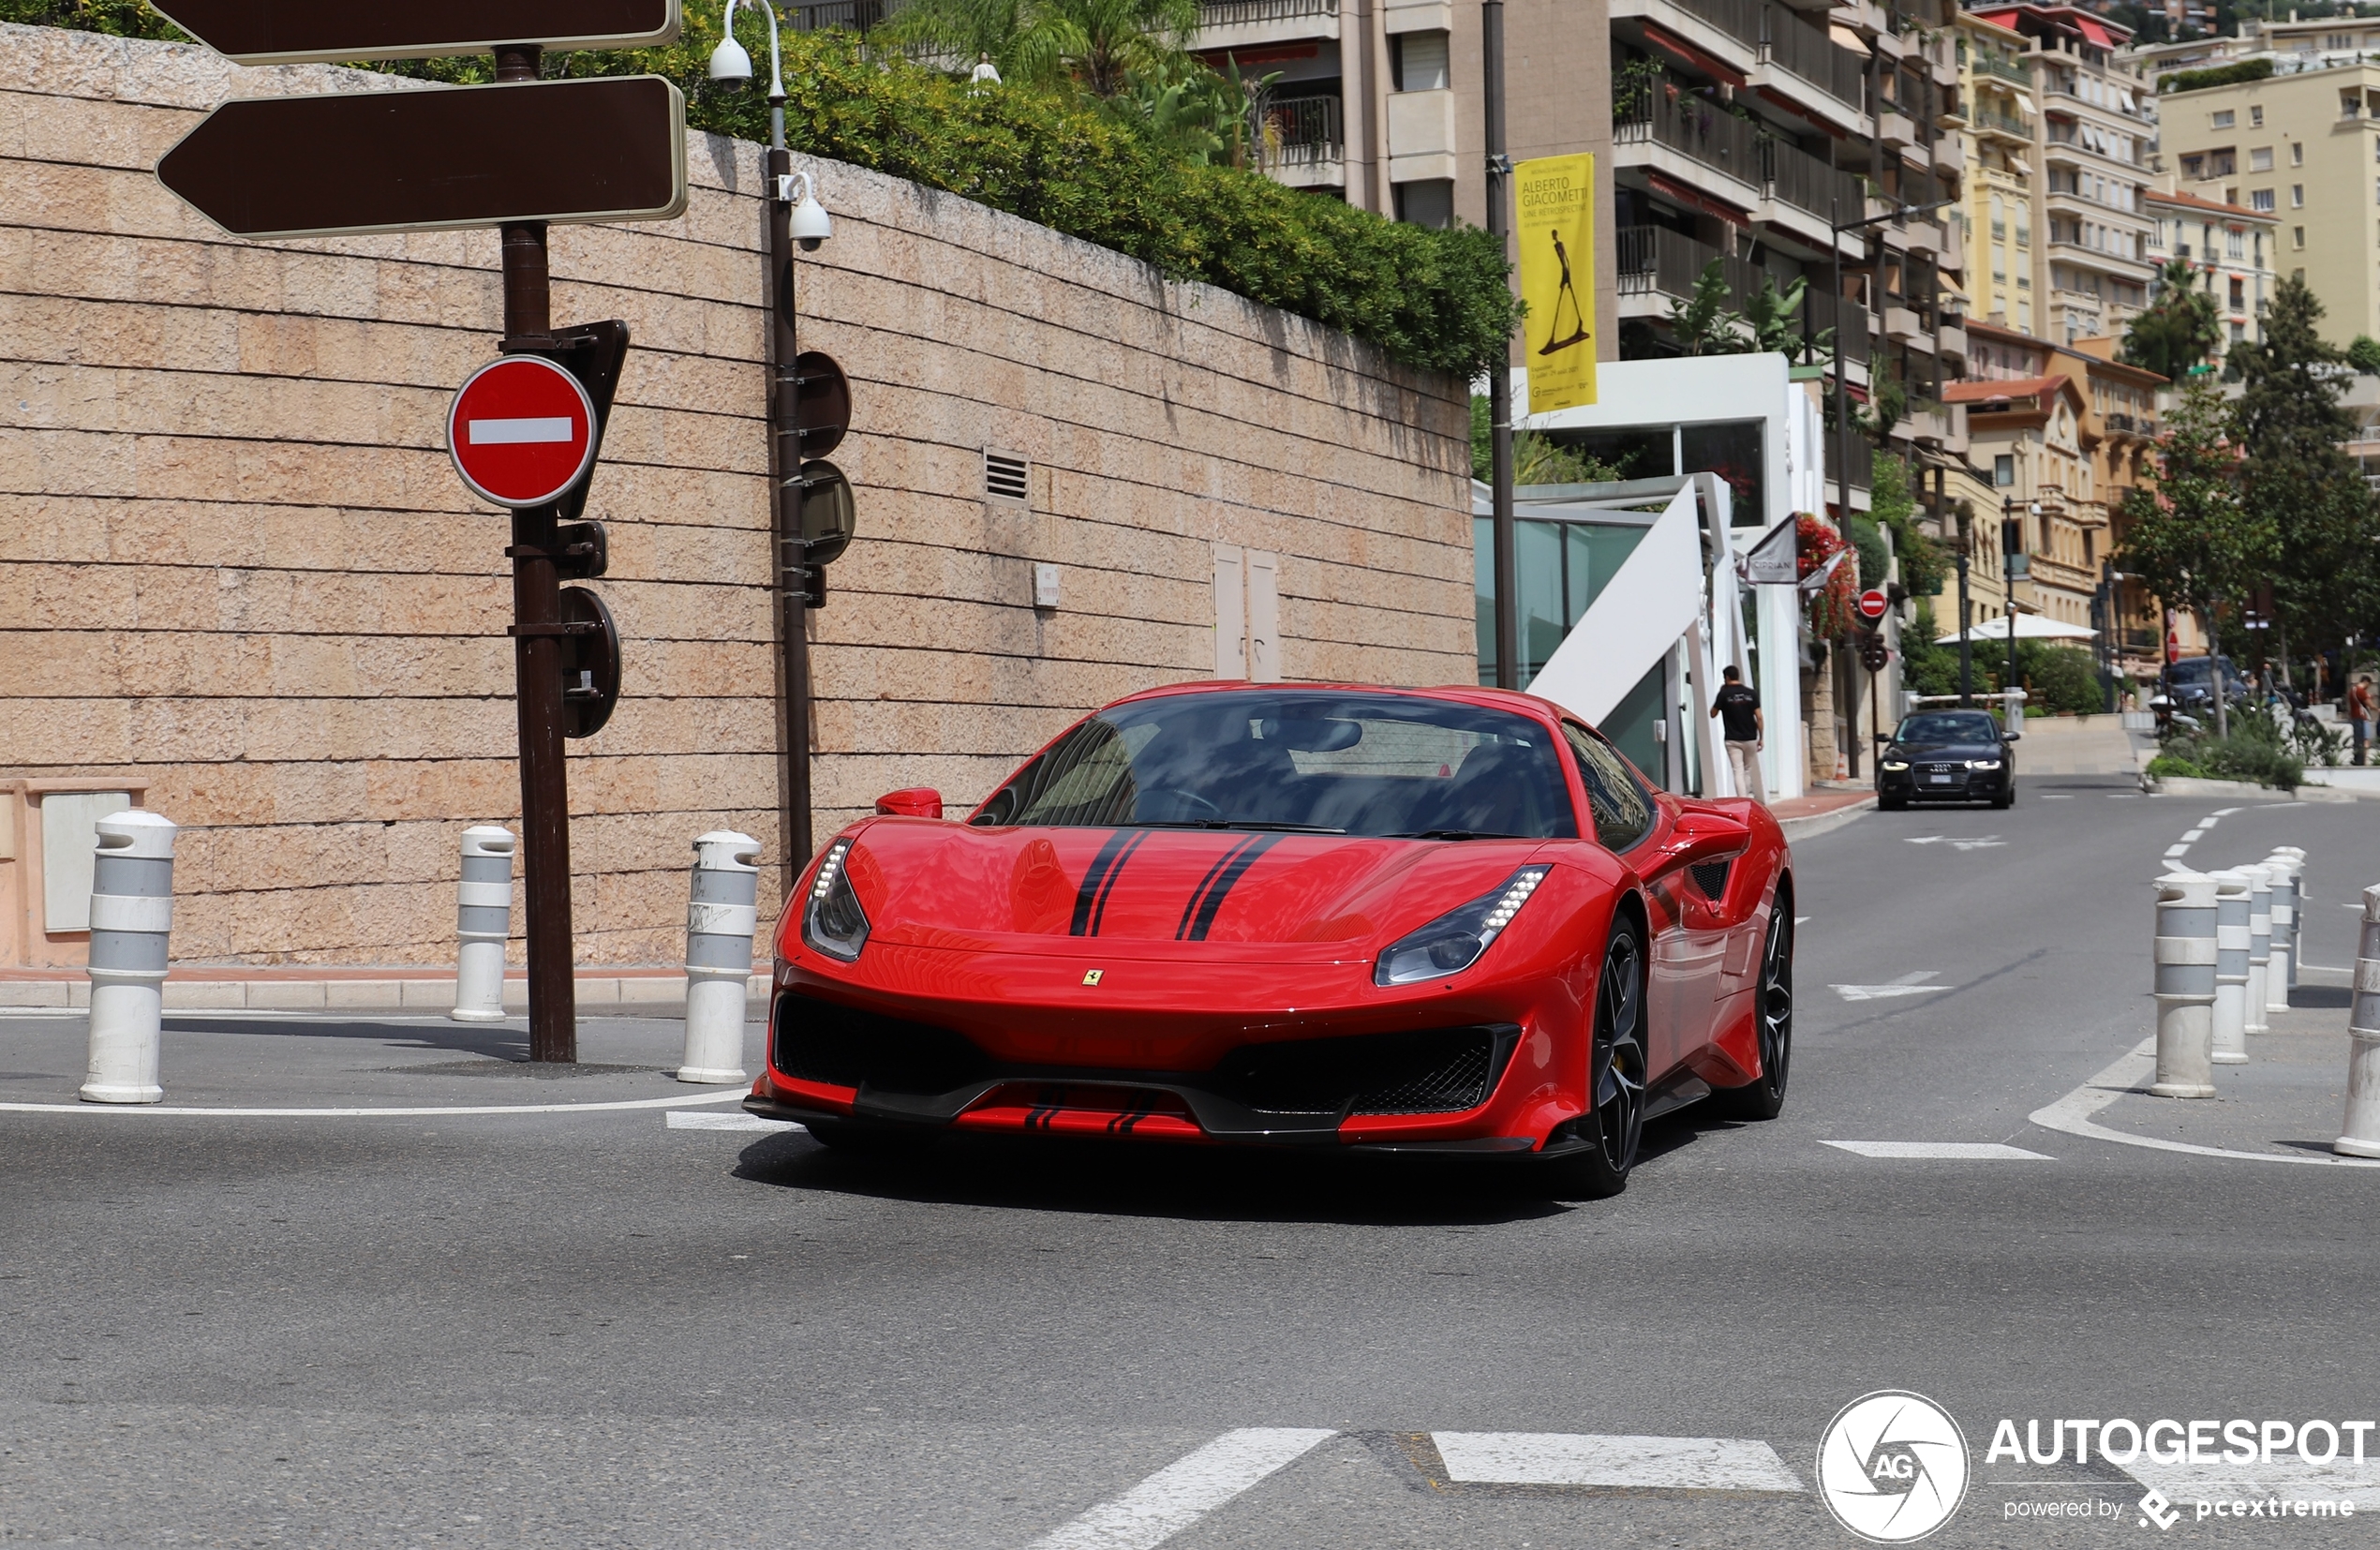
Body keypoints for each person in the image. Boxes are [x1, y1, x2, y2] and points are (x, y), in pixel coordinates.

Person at [1710, 664, 1765, 805]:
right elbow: (1759, 717)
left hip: (1732, 739)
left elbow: (1713, 713)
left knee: (1738, 770)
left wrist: (1722, 694)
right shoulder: (1751, 693)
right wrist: (1761, 738)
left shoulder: (1724, 694)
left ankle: (1743, 800)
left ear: (1727, 677)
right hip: (1750, 738)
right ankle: (1746, 799)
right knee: (1747, 770)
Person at [2351, 674, 2375, 767]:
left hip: (2355, 717)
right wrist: (2377, 709)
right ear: (2366, 682)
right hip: (2363, 717)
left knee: (2357, 740)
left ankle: (2357, 760)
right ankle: (2364, 761)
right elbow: (2370, 705)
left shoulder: (2353, 690)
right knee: (2366, 740)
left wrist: (2368, 696)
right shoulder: (2361, 691)